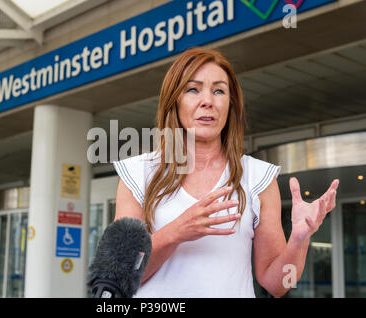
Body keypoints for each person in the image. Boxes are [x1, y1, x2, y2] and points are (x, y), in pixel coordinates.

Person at [112, 47, 339, 298]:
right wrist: (177, 231)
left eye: (219, 90)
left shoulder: (257, 177)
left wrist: (299, 239)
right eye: (193, 89)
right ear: (174, 100)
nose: (207, 100)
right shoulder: (138, 173)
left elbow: (276, 284)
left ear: (230, 104)